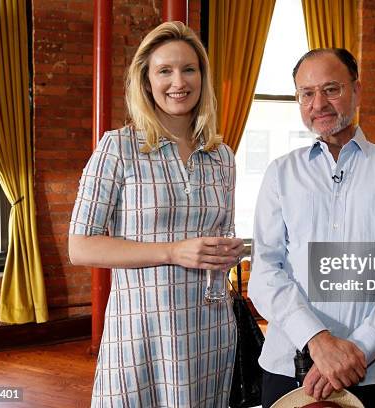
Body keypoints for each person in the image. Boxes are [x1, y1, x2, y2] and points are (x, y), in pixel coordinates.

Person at [69, 21, 244, 408]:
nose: (178, 81)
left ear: (202, 77)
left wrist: (231, 251)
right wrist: (172, 251)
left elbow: (217, 241)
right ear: (146, 81)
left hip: (210, 332)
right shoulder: (118, 148)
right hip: (140, 333)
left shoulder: (222, 157)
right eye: (164, 70)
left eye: (189, 69)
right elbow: (80, 247)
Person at [248, 48, 375, 408]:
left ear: (357, 92)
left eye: (331, 89)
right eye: (307, 93)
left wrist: (357, 350)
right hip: (290, 368)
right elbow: (265, 272)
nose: (319, 103)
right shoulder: (281, 173)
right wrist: (318, 341)